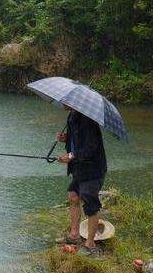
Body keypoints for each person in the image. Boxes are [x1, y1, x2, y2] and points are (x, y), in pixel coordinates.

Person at [54, 105, 107, 257]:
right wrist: (66, 139)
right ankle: (74, 235)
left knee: (90, 204)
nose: (62, 103)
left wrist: (70, 156)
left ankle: (90, 244)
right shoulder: (72, 115)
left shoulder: (88, 120)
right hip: (80, 168)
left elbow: (91, 148)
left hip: (93, 169)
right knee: (73, 195)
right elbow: (75, 142)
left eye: (65, 101)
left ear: (73, 102)